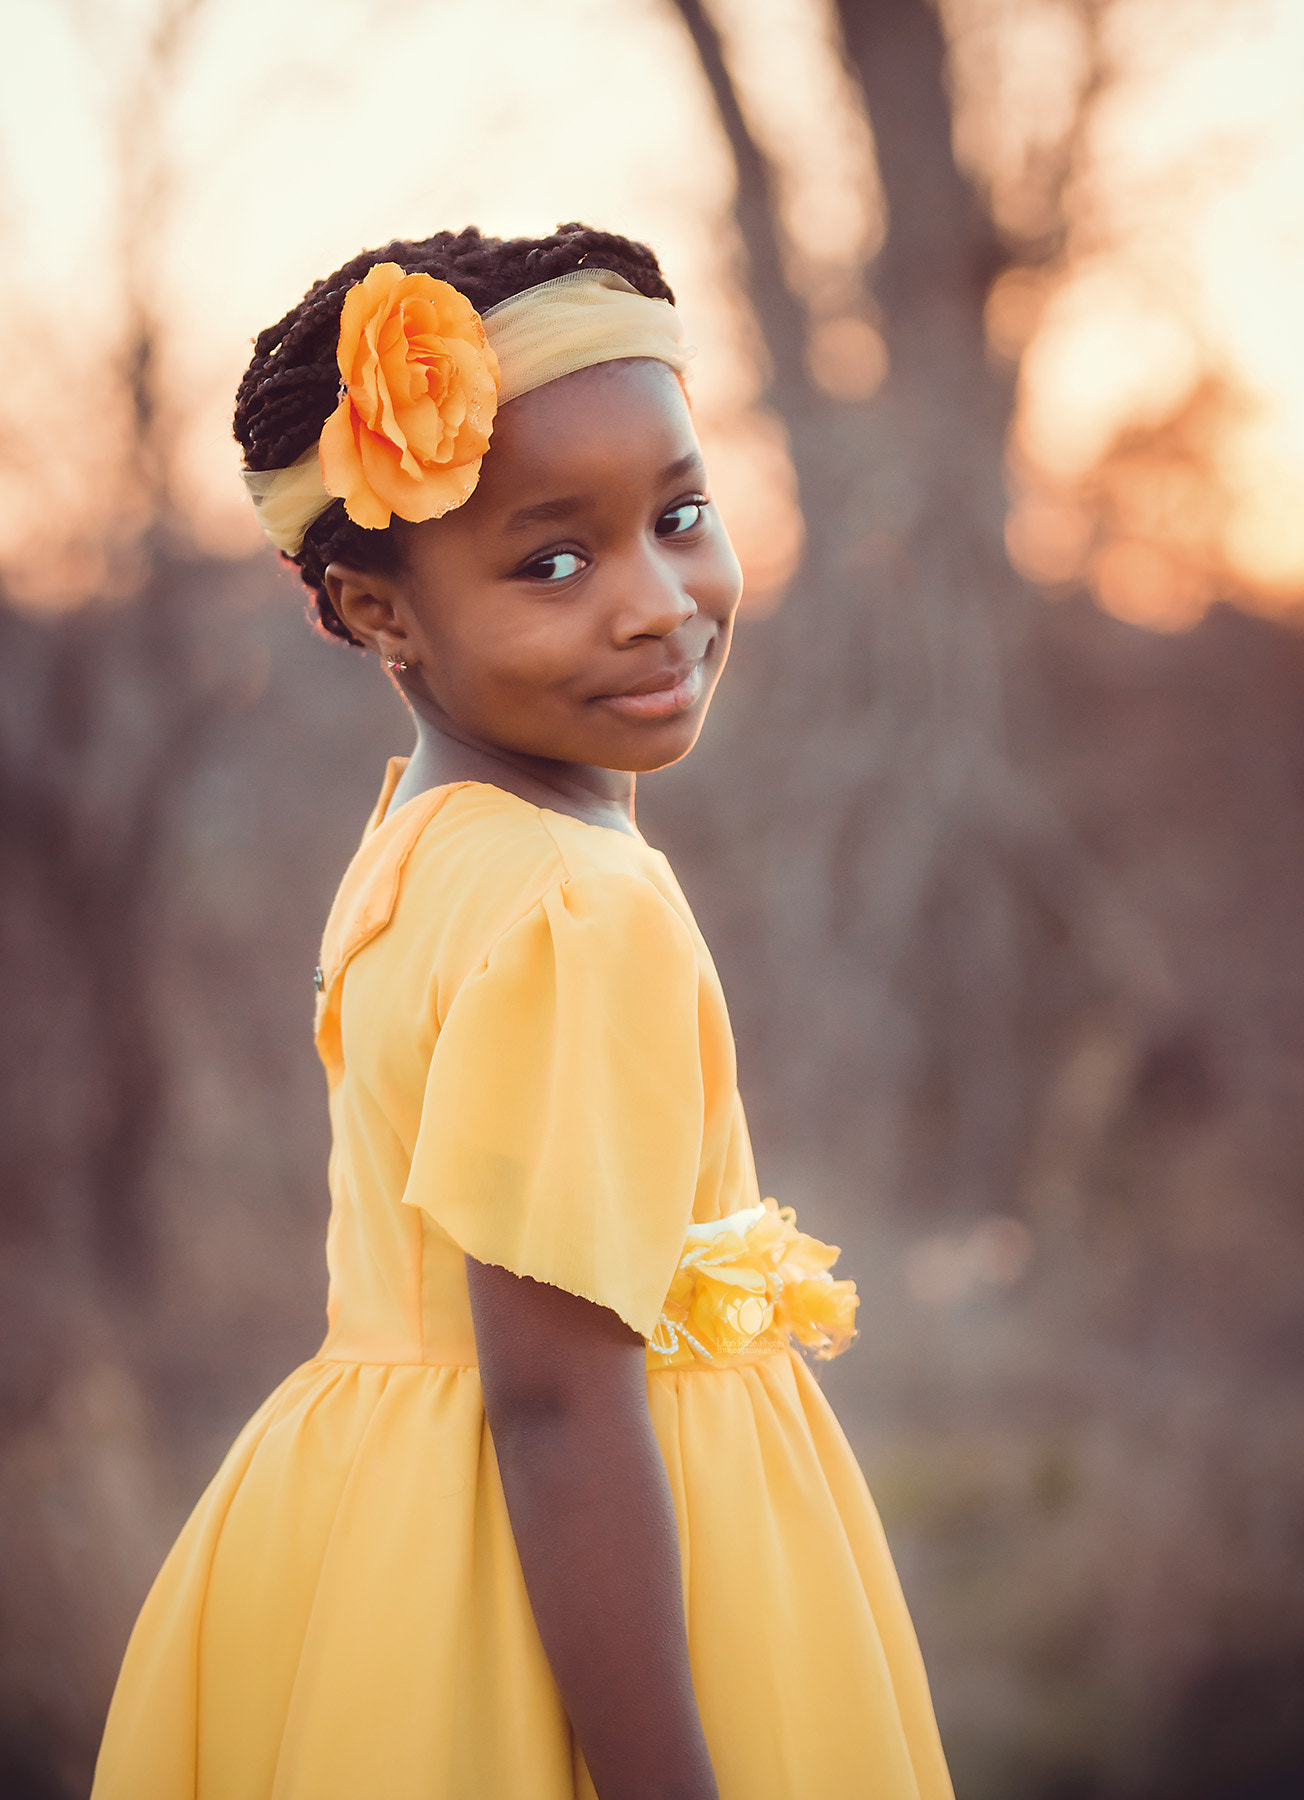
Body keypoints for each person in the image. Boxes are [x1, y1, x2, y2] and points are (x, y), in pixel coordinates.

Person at [92, 222, 953, 1800]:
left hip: (380, 1524)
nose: (655, 602)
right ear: (378, 610)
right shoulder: (575, 899)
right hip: (561, 1569)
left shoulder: (421, 847)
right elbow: (559, 1401)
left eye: (681, 516)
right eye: (553, 560)